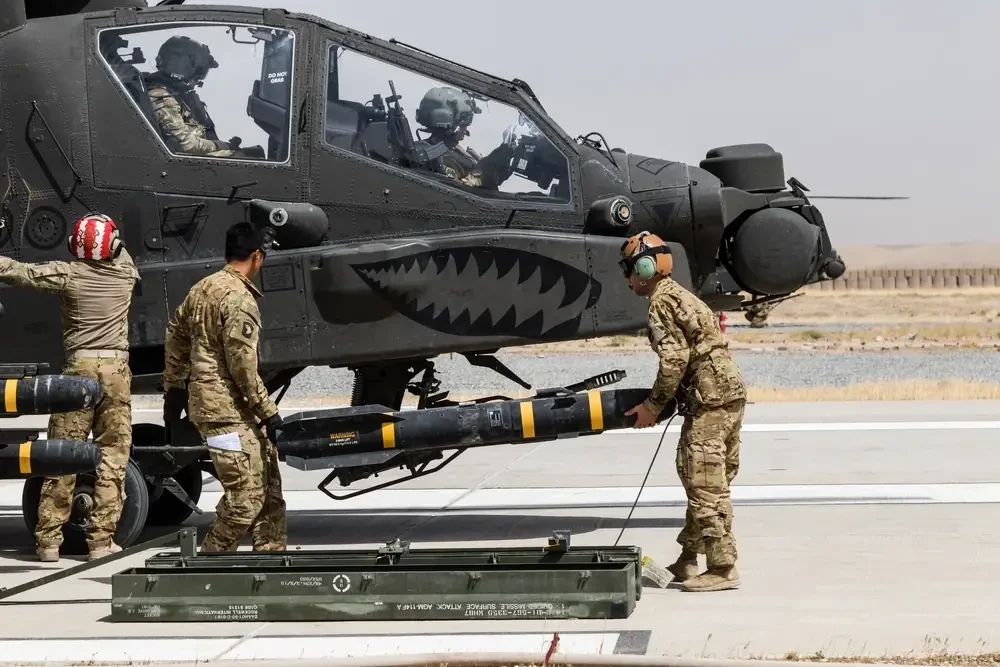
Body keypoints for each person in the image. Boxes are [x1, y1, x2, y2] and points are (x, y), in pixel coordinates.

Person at [0, 212, 140, 562]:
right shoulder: (126, 273)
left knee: (62, 455)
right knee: (112, 456)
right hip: (116, 371)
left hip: (77, 374)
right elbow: (120, 250)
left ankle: (49, 542)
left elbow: (20, 272)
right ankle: (101, 543)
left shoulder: (68, 274)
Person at [620, 230, 746, 593]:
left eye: (629, 270)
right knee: (706, 477)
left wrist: (652, 406)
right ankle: (688, 558)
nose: (627, 279)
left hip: (710, 399)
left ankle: (722, 568)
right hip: (727, 392)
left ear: (646, 268)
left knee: (704, 482)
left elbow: (674, 360)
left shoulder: (660, 302)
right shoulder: (681, 294)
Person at [161, 222, 285, 552]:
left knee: (268, 481)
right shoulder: (240, 300)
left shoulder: (202, 289)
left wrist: (175, 386)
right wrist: (269, 413)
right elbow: (242, 366)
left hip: (227, 409)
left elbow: (174, 333)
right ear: (257, 256)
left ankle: (270, 554)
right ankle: (209, 559)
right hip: (222, 413)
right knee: (245, 496)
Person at [144, 35, 263, 159]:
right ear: (183, 65)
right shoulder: (162, 96)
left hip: (195, 159)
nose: (198, 79)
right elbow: (186, 145)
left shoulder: (179, 96)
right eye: (198, 73)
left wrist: (226, 146)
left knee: (253, 154)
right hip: (188, 163)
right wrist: (222, 146)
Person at [415, 86, 514, 188]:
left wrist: (504, 153)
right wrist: (502, 154)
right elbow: (467, 186)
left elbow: (487, 174)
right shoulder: (440, 158)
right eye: (464, 124)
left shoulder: (447, 150)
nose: (466, 129)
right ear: (452, 125)